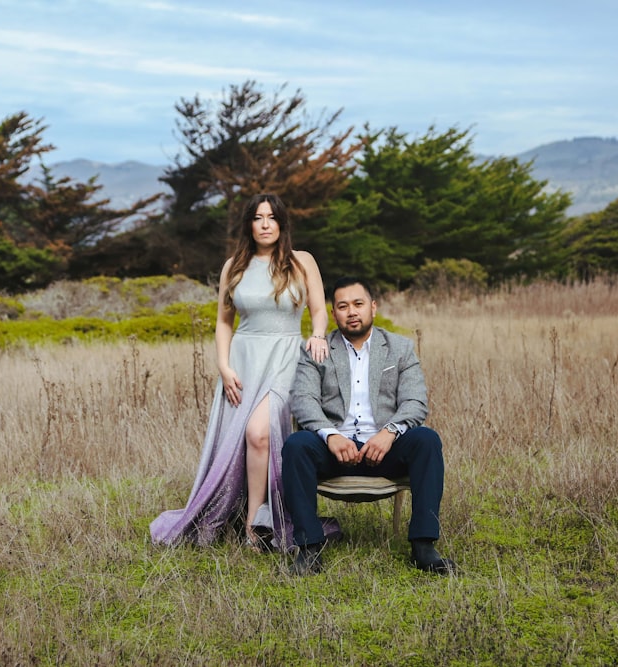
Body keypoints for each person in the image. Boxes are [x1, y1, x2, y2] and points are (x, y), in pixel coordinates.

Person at [150, 193, 333, 551]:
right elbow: (223, 321)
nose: (265, 224)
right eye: (258, 218)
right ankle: (251, 524)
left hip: (285, 357)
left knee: (259, 433)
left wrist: (318, 334)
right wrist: (223, 365)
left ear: (282, 223)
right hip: (243, 360)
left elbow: (319, 309)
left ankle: (258, 520)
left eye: (272, 217)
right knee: (244, 440)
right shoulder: (233, 265)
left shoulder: (302, 261)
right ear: (249, 225)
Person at [282, 276, 457, 575]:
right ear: (333, 313)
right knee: (297, 445)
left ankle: (424, 547)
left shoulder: (399, 348)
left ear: (373, 308)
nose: (352, 311)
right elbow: (303, 401)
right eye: (343, 306)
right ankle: (310, 549)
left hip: (383, 451)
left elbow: (416, 403)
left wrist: (389, 433)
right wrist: (331, 435)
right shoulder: (317, 349)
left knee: (426, 439)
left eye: (358, 304)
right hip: (334, 452)